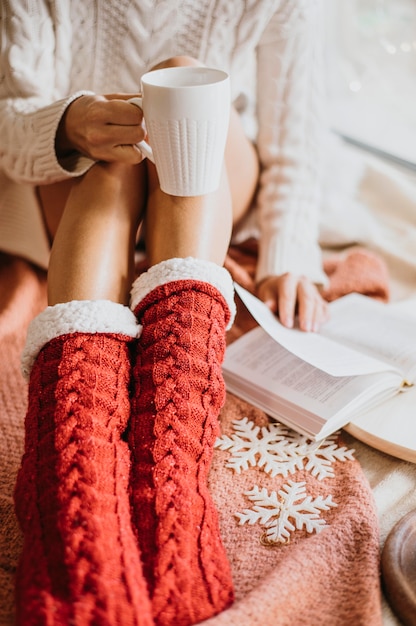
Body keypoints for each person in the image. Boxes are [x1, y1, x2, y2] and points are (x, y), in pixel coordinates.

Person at [0, 1, 329, 625]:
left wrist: (289, 251)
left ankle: (137, 472)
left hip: (209, 171)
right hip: (73, 177)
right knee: (112, 162)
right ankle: (96, 471)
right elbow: (7, 125)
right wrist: (69, 123)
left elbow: (298, 137)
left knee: (185, 80)